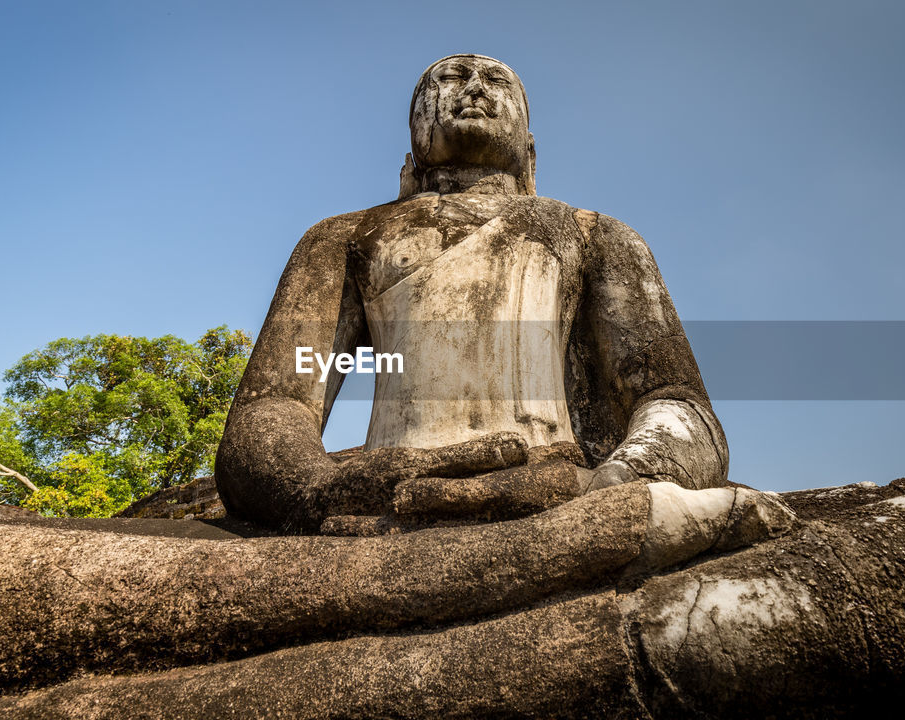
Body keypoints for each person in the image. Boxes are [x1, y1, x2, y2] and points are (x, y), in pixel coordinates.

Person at [216, 54, 781, 537]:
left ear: (529, 150)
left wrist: (611, 484)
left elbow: (677, 403)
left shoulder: (592, 235)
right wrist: (320, 488)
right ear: (413, 137)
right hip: (391, 508)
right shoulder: (345, 238)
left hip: (556, 499)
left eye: (495, 82)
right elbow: (278, 402)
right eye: (452, 78)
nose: (475, 89)